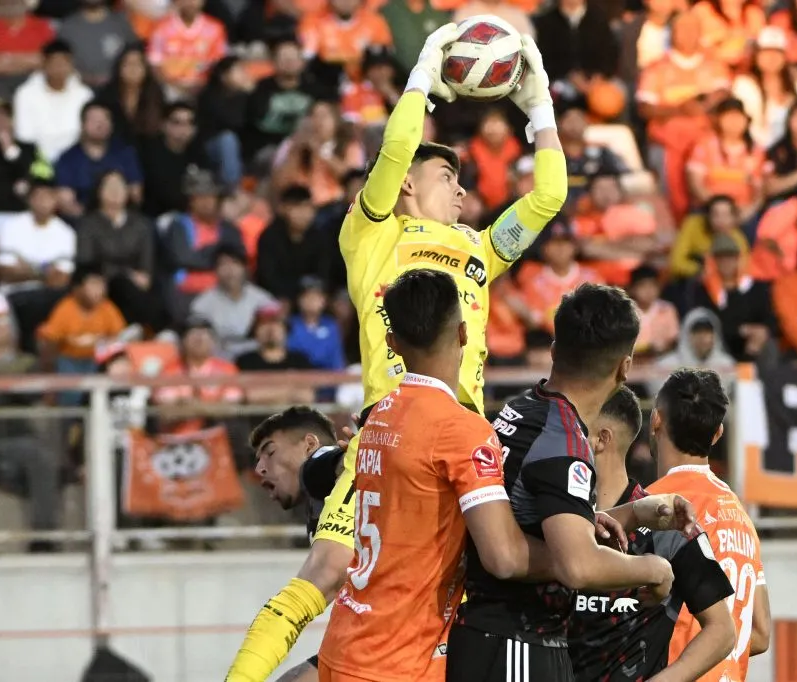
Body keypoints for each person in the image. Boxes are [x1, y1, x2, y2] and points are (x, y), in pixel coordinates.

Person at [224, 25, 568, 681]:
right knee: (327, 572)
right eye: (446, 177)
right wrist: (422, 78)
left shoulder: (480, 249)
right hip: (390, 433)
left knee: (451, 599)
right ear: (406, 183)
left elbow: (548, 196)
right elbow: (394, 150)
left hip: (464, 441)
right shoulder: (373, 234)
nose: (462, 191)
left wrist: (539, 106)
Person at [448, 283, 694, 682]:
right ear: (625, 367)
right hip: (517, 641)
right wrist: (654, 569)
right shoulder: (563, 440)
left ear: (553, 350)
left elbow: (533, 518)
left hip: (491, 637)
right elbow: (577, 565)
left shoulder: (521, 408)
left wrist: (632, 513)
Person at [319, 269, 543, 680]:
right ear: (463, 333)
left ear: (391, 343)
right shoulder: (461, 429)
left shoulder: (379, 415)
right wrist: (577, 556)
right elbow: (505, 557)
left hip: (344, 644)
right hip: (397, 661)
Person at [569, 386, 736, 682]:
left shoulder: (668, 526)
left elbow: (722, 631)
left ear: (601, 439)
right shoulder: (561, 519)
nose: (564, 439)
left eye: (575, 429)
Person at [646, 368, 772, 682]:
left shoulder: (651, 507)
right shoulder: (740, 515)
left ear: (655, 420)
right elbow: (759, 632)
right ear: (718, 433)